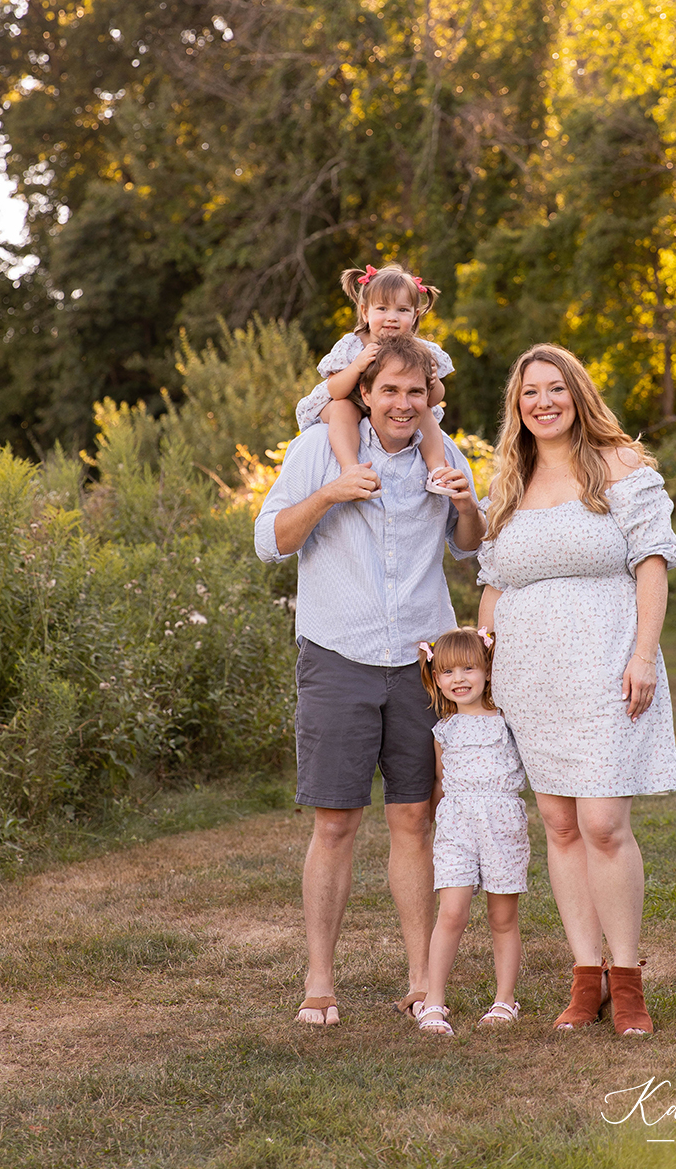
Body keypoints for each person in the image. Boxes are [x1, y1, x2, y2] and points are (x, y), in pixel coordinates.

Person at [254, 333, 485, 1026]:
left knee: (415, 817)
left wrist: (466, 505)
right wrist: (330, 493)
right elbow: (270, 541)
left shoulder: (444, 456)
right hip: (338, 654)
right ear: (364, 392)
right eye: (389, 390)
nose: (402, 404)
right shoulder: (317, 450)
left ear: (429, 397)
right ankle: (319, 981)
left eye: (415, 391)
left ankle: (421, 981)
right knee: (335, 822)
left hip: (419, 662)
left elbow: (470, 546)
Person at [476, 344, 676, 1036]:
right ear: (517, 405)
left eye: (555, 388)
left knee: (602, 824)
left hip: (604, 665)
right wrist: (482, 667)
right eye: (530, 392)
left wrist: (643, 655)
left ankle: (627, 982)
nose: (543, 402)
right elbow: (493, 585)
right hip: (529, 678)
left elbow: (652, 563)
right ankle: (584, 976)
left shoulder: (620, 467)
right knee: (559, 825)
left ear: (577, 395)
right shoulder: (509, 483)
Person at [414, 626, 530, 1036]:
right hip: (456, 826)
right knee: (452, 913)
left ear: (487, 670)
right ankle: (433, 1001)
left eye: (468, 668)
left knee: (502, 916)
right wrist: (436, 825)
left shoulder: (507, 722)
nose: (458, 679)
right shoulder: (443, 730)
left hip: (502, 824)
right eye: (447, 672)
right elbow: (441, 781)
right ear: (435, 677)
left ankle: (505, 999)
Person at [295, 262, 459, 494]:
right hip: (349, 402)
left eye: (402, 310)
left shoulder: (420, 351)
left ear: (415, 315)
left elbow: (433, 399)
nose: (392, 317)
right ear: (365, 312)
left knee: (426, 413)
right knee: (343, 407)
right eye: (382, 308)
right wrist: (356, 366)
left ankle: (437, 471)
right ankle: (350, 468)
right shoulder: (353, 345)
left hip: (389, 409)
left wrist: (434, 380)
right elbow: (335, 390)